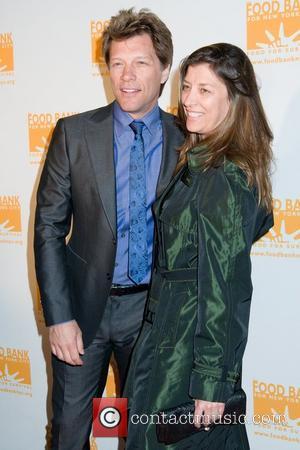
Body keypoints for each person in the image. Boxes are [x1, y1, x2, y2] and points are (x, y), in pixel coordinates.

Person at [34, 8, 183, 450]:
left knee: (145, 436)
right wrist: (59, 318)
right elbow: (47, 229)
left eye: (139, 62)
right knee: (69, 432)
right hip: (82, 313)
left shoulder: (188, 140)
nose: (127, 76)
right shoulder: (74, 134)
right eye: (117, 63)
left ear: (164, 68)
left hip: (153, 315)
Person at [125, 43, 274, 449]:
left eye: (204, 90)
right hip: (170, 336)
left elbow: (226, 289)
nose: (188, 100)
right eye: (187, 86)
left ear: (235, 99)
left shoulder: (223, 176)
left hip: (187, 349)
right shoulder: (202, 158)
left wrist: (212, 381)